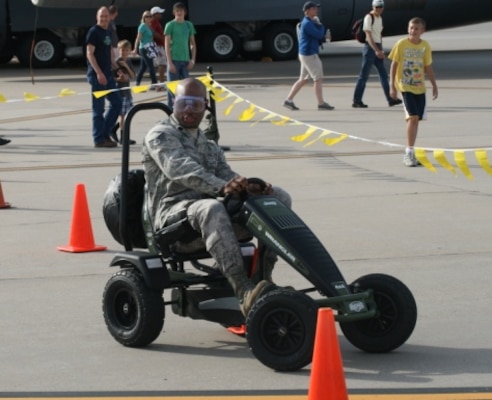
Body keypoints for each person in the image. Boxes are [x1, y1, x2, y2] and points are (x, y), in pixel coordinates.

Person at [142, 78, 292, 316]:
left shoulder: (209, 145)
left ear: (205, 107)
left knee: (279, 198)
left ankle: (263, 278)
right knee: (210, 208)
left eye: (195, 104)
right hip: (173, 223)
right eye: (183, 103)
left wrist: (251, 188)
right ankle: (243, 291)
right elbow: (180, 169)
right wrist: (223, 188)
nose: (189, 109)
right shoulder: (160, 135)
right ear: (174, 104)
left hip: (213, 219)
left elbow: (228, 177)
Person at [389, 17, 438, 167]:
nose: (413, 31)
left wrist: (434, 85)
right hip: (405, 85)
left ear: (422, 31)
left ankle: (411, 151)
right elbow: (394, 65)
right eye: (411, 28)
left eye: (416, 28)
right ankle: (408, 152)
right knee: (412, 117)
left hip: (419, 87)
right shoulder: (401, 44)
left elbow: (427, 66)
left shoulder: (425, 46)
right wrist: (392, 86)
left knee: (417, 120)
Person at [283, 1, 334, 111]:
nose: (317, 10)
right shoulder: (307, 24)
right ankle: (321, 103)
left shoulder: (308, 22)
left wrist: (318, 25)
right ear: (308, 11)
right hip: (309, 54)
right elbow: (319, 35)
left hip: (305, 54)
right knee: (318, 78)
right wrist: (320, 26)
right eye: (314, 9)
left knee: (303, 79)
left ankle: (288, 100)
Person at [352, 0, 402, 108]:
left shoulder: (379, 18)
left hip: (377, 47)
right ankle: (357, 100)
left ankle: (390, 99)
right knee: (364, 76)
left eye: (380, 7)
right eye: (376, 7)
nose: (378, 9)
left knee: (383, 75)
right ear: (373, 7)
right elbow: (368, 36)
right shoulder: (369, 17)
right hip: (370, 48)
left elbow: (379, 35)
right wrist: (377, 50)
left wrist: (381, 49)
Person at [86, 6, 123, 148]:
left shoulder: (107, 32)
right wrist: (98, 73)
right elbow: (89, 54)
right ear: (97, 17)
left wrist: (118, 70)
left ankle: (105, 132)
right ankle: (99, 139)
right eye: (101, 16)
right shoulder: (93, 32)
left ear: (110, 17)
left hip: (108, 75)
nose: (104, 18)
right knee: (98, 109)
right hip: (98, 76)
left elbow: (109, 55)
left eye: (106, 16)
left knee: (117, 103)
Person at [164, 2, 197, 108]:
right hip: (174, 60)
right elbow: (167, 44)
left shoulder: (188, 25)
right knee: (172, 90)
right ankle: (171, 112)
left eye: (181, 10)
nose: (179, 13)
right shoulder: (170, 25)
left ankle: (183, 111)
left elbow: (192, 43)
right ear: (174, 12)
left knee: (185, 89)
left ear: (185, 12)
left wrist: (192, 60)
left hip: (185, 60)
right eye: (177, 11)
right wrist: (169, 62)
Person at [111, 39, 136, 145]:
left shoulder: (128, 62)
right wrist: (118, 79)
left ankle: (114, 129)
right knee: (123, 115)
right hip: (120, 92)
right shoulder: (116, 63)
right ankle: (123, 137)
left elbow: (132, 76)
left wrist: (126, 66)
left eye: (126, 50)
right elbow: (112, 77)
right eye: (122, 50)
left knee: (127, 114)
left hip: (127, 92)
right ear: (119, 51)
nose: (124, 52)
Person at [133, 10, 159, 89]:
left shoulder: (149, 26)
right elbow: (138, 38)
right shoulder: (142, 26)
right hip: (144, 48)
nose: (148, 18)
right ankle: (154, 84)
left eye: (150, 16)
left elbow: (151, 39)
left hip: (150, 48)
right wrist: (135, 49)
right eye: (146, 16)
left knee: (143, 67)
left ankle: (137, 82)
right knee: (151, 66)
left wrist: (154, 49)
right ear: (143, 18)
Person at [150, 6, 167, 84]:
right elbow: (152, 32)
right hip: (158, 46)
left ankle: (160, 80)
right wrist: (162, 38)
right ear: (155, 14)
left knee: (160, 64)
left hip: (159, 45)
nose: (161, 14)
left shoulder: (156, 22)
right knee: (162, 64)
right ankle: (161, 82)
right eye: (159, 13)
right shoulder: (153, 22)